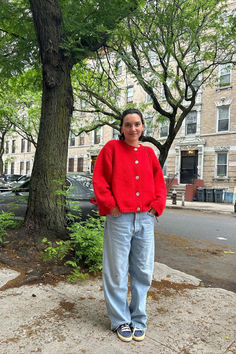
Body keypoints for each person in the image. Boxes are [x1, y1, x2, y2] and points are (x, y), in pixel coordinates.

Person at [92, 108, 166, 342]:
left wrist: (156, 206)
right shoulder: (111, 149)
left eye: (137, 124)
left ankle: (138, 319)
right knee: (116, 270)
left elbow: (159, 184)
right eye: (128, 124)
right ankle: (120, 320)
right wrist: (111, 205)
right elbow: (100, 179)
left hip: (145, 218)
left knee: (143, 270)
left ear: (143, 127)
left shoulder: (149, 154)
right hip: (119, 219)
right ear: (121, 128)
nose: (133, 128)